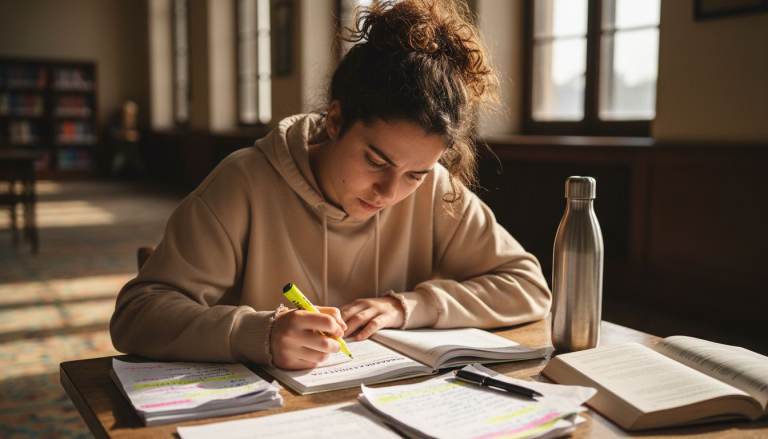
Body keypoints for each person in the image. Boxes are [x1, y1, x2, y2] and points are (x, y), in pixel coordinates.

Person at [110, 0, 551, 371]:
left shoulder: (434, 187)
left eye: (414, 175)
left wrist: (407, 306)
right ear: (335, 121)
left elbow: (529, 288)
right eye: (376, 161)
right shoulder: (243, 181)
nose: (389, 193)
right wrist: (257, 334)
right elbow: (137, 314)